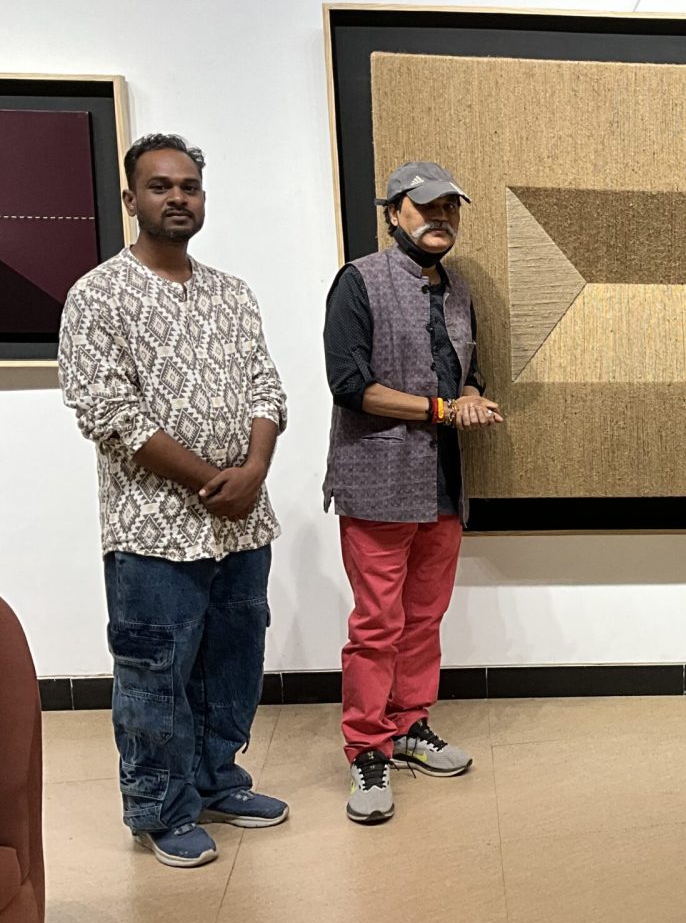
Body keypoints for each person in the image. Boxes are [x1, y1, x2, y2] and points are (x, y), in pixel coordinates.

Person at [59, 133, 289, 868]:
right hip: (152, 530)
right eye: (160, 186)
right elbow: (108, 412)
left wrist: (254, 469)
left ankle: (217, 781)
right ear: (132, 199)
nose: (177, 198)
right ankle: (160, 809)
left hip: (242, 525)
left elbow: (267, 387)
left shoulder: (232, 293)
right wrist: (208, 480)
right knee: (154, 674)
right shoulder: (97, 295)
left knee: (232, 663)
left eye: (189, 186)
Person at [323, 161, 502, 825]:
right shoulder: (358, 281)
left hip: (443, 484)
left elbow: (469, 371)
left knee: (424, 619)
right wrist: (442, 410)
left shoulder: (458, 290)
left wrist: (472, 396)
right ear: (393, 212)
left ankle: (409, 725)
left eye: (450, 208)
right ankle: (367, 748)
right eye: (427, 207)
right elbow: (350, 385)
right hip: (377, 482)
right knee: (378, 624)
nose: (441, 218)